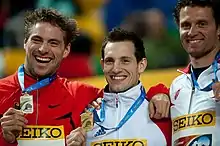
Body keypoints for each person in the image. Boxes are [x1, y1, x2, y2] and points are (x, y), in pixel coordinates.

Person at [0, 8, 103, 146]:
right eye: (37, 40)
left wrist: (91, 141)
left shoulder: (85, 95)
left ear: (66, 50)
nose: (43, 49)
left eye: (53, 43)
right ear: (25, 43)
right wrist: (3, 138)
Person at [66, 28, 172, 146]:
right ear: (102, 65)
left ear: (141, 65)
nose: (116, 69)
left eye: (125, 61)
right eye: (110, 61)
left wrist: (162, 92)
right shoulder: (87, 112)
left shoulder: (162, 110)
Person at [147, 0, 220, 145]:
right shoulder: (177, 86)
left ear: (218, 29)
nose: (192, 32)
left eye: (202, 24)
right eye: (186, 25)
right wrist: (157, 94)